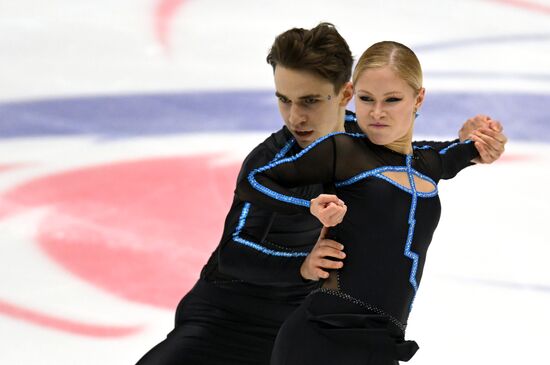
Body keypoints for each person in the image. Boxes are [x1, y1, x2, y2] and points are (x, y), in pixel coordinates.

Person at [136, 24, 506, 365]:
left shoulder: (363, 138)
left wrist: (470, 143)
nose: (294, 117)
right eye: (284, 100)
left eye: (310, 101)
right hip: (226, 319)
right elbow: (233, 253)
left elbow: (410, 161)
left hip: (314, 323)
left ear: (344, 94)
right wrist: (301, 261)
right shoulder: (273, 160)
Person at [236, 40, 497, 365]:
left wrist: (483, 138)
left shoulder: (428, 163)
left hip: (380, 346)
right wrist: (309, 209)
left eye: (392, 100)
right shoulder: (342, 151)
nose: (376, 113)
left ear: (418, 98)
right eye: (366, 99)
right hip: (320, 338)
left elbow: (470, 148)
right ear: (350, 95)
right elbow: (254, 181)